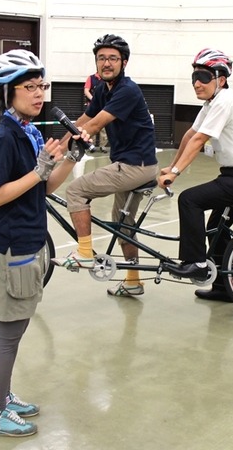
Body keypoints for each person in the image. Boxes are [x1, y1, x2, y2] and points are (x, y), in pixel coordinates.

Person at [0, 49, 89, 437]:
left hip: (28, 243)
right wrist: (39, 168)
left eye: (42, 85)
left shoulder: (27, 132)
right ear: (6, 93)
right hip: (12, 249)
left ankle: (3, 395)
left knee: (16, 331)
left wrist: (70, 158)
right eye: (29, 87)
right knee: (7, 337)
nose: (39, 93)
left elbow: (42, 188)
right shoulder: (5, 138)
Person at [52, 34, 159, 298]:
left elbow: (96, 124)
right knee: (123, 224)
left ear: (124, 62)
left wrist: (75, 139)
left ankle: (85, 253)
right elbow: (82, 120)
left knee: (76, 191)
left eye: (112, 58)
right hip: (133, 164)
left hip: (135, 165)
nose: (106, 63)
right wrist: (57, 146)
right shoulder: (103, 89)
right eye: (101, 58)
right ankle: (134, 281)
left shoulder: (127, 90)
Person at [158, 48, 233, 302]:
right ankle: (224, 288)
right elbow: (190, 134)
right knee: (216, 229)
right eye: (194, 76)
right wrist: (170, 166)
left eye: (204, 77)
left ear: (221, 79)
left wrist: (175, 173)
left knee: (189, 200)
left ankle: (195, 263)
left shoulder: (225, 101)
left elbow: (199, 140)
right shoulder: (213, 103)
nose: (197, 83)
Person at [84, 72, 109, 152]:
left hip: (104, 107)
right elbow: (86, 90)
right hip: (92, 107)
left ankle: (103, 146)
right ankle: (91, 145)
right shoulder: (91, 78)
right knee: (91, 125)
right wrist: (93, 100)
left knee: (104, 128)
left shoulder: (107, 79)